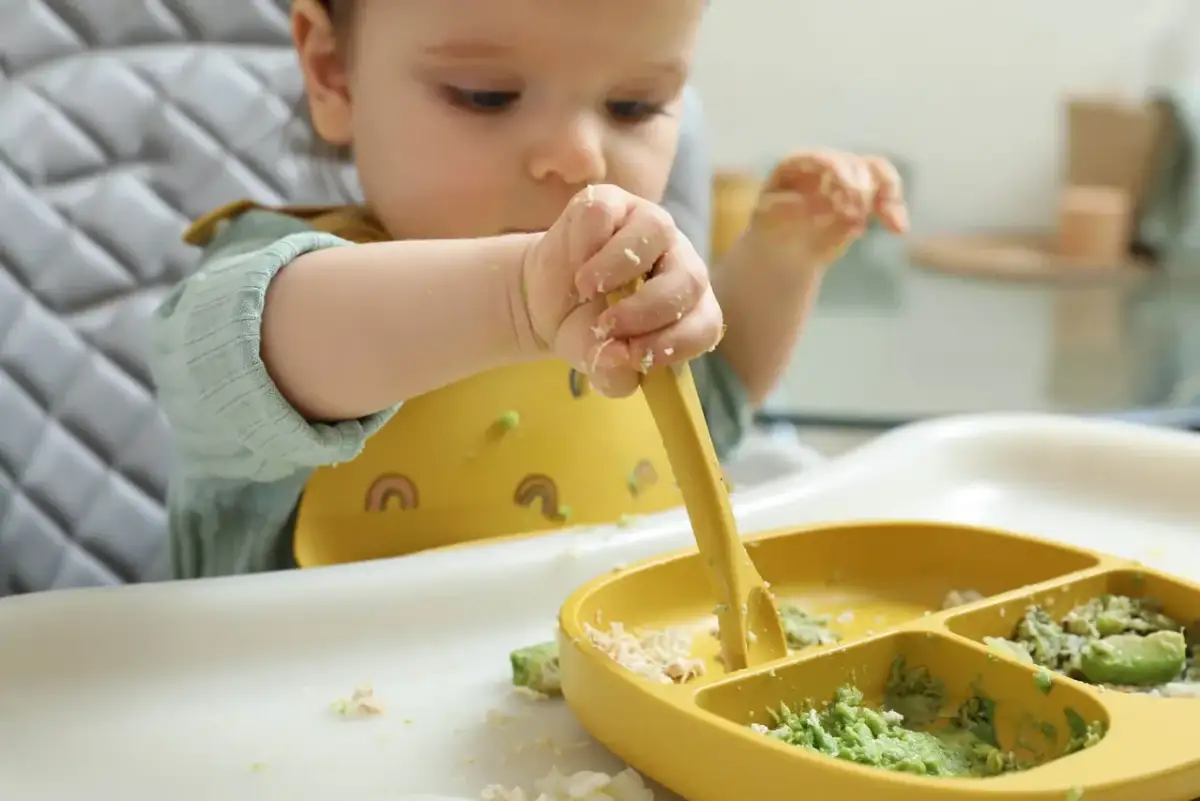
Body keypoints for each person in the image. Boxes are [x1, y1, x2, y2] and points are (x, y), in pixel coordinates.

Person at [150, 0, 909, 579]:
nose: (579, 157)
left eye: (633, 106)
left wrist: (782, 259)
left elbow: (707, 413)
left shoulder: (616, 288)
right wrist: (513, 299)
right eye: (487, 96)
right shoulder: (287, 286)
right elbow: (232, 358)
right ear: (333, 73)